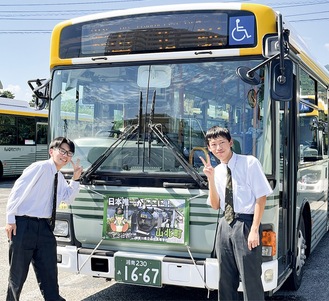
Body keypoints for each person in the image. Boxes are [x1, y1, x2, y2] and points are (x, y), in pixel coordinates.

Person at [5, 137, 83, 301]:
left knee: (49, 274)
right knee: (17, 276)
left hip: (45, 228)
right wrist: (10, 219)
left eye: (69, 153)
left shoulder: (59, 177)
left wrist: (75, 179)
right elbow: (17, 191)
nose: (65, 156)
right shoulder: (39, 167)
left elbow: (66, 199)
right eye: (62, 151)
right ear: (51, 151)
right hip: (24, 225)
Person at [200, 126, 273, 301]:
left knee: (250, 278)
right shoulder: (216, 171)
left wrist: (254, 229)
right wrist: (210, 178)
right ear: (209, 148)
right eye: (213, 144)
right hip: (225, 225)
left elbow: (261, 198)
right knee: (225, 279)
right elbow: (216, 205)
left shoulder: (250, 163)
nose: (218, 148)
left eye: (222, 143)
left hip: (246, 224)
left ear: (231, 142)